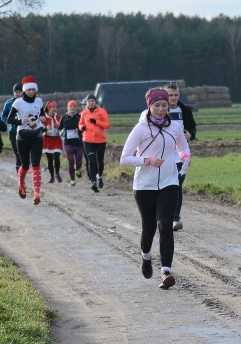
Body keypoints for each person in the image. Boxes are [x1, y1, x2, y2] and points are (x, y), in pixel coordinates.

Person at [120, 88, 191, 290]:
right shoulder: (140, 129)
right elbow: (124, 158)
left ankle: (166, 271)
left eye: (164, 105)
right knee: (149, 227)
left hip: (169, 182)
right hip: (144, 185)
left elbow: (183, 147)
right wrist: (147, 160)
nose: (161, 109)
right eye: (157, 105)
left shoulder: (174, 127)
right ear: (149, 106)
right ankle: (146, 256)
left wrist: (185, 157)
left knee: (165, 224)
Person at [164, 83, 196, 231]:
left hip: (181, 154)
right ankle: (162, 215)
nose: (173, 98)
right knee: (165, 186)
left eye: (176, 95)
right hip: (163, 154)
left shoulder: (185, 110)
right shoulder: (159, 110)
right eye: (170, 95)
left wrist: (191, 135)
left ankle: (175, 218)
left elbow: (193, 127)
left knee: (177, 185)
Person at [11, 76, 46, 204]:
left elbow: (41, 113)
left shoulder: (39, 101)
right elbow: (9, 119)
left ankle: (37, 193)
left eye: (33, 90)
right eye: (29, 90)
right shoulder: (18, 102)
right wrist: (20, 121)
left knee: (36, 164)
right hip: (22, 136)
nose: (31, 92)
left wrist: (42, 117)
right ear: (24, 90)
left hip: (36, 135)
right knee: (25, 165)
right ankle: (21, 184)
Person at [79, 93, 110, 192]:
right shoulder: (84, 113)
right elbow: (80, 123)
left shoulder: (102, 111)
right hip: (88, 140)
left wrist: (96, 122)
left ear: (95, 102)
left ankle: (100, 176)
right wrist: (82, 128)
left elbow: (107, 125)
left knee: (100, 161)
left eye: (92, 101)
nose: (91, 103)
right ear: (87, 103)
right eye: (89, 101)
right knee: (91, 160)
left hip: (100, 140)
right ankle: (94, 182)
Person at [59, 100, 84, 186]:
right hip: (67, 143)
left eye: (74, 106)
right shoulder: (64, 118)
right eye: (71, 106)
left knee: (79, 162)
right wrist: (60, 132)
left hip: (78, 143)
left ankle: (77, 169)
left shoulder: (79, 117)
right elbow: (60, 128)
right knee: (71, 160)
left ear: (76, 108)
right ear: (68, 108)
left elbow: (84, 128)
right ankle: (72, 180)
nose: (72, 108)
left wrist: (79, 130)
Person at [1, 82, 23, 171]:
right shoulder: (9, 103)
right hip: (13, 131)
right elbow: (3, 116)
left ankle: (23, 172)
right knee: (17, 154)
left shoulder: (26, 102)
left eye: (19, 92)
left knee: (23, 154)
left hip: (24, 132)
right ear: (13, 93)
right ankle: (19, 175)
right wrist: (9, 120)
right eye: (16, 92)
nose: (18, 94)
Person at [41, 101, 63, 184]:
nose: (55, 109)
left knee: (56, 157)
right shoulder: (44, 118)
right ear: (49, 108)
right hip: (47, 140)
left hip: (56, 139)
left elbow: (62, 127)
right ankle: (52, 177)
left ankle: (57, 173)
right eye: (53, 107)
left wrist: (60, 131)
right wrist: (46, 129)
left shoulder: (58, 117)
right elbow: (40, 129)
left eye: (55, 107)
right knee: (50, 159)